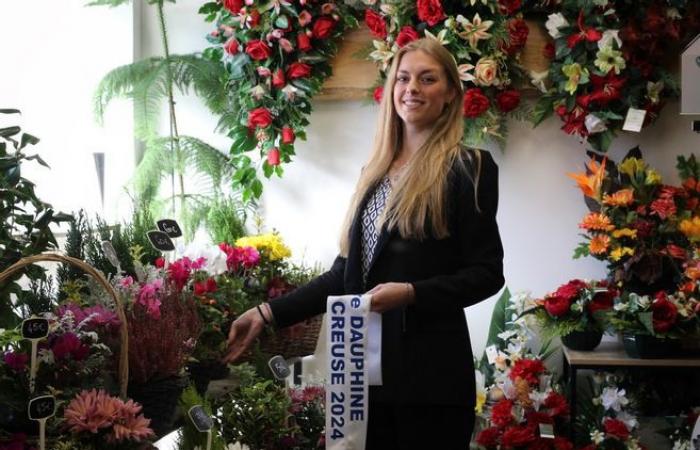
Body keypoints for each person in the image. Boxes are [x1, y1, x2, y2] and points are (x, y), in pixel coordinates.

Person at [224, 37, 504, 449]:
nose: (413, 89)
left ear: (449, 95)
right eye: (404, 79)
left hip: (430, 382)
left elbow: (486, 275)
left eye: (428, 79)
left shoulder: (470, 168)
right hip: (361, 381)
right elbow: (345, 275)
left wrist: (410, 294)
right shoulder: (374, 173)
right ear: (391, 90)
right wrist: (267, 313)